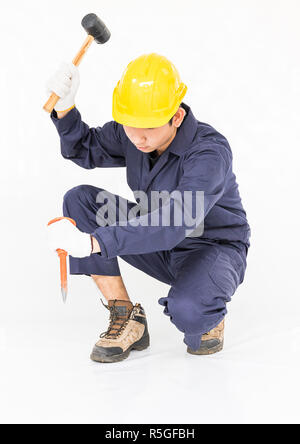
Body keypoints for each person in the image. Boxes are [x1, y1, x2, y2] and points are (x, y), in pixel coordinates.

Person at [46, 53, 251, 363]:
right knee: (81, 201)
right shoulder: (134, 132)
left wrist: (93, 242)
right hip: (158, 241)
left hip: (212, 248)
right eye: (129, 126)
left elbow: (177, 220)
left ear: (177, 117)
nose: (138, 138)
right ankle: (127, 317)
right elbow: (84, 149)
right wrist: (65, 108)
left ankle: (205, 304)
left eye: (150, 128)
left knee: (191, 315)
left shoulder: (209, 152)